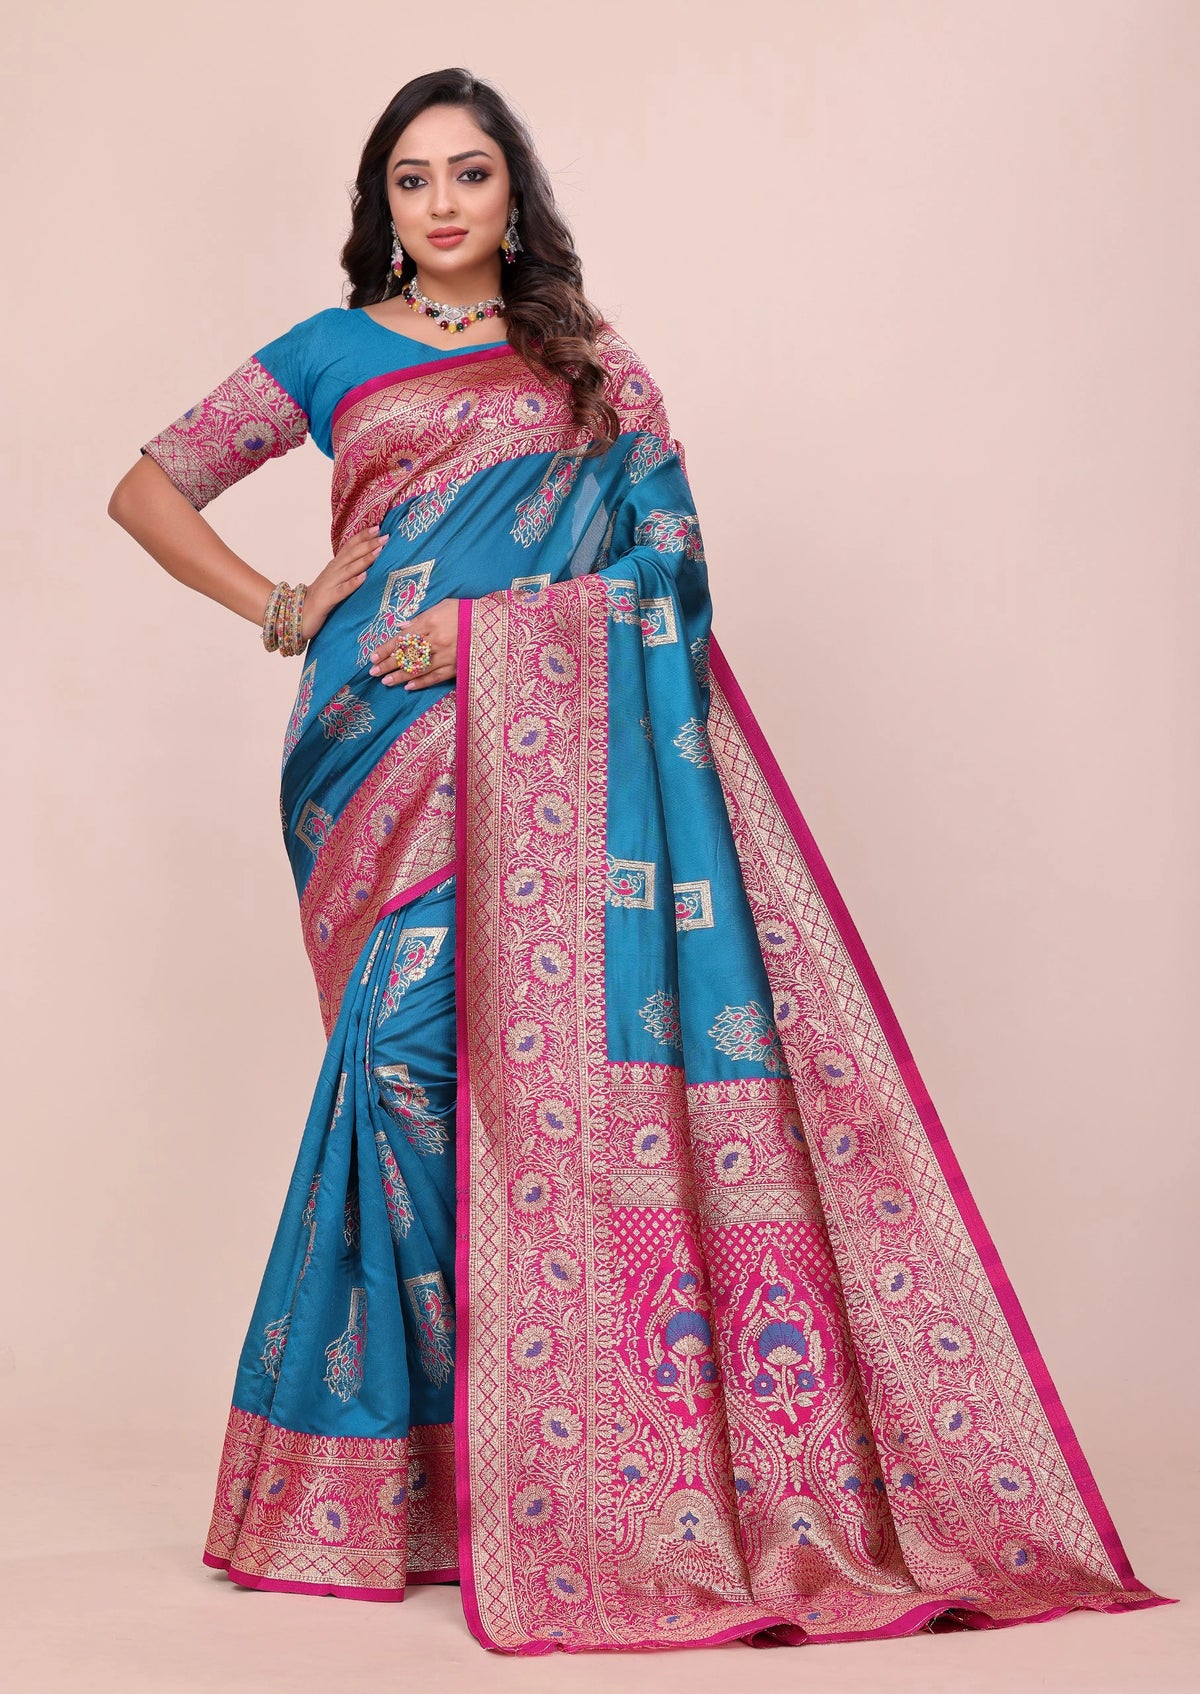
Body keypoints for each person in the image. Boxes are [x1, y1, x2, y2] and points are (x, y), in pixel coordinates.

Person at [108, 66, 1166, 1656]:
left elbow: (670, 573)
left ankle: (530, 1463)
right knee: (397, 1073)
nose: (443, 202)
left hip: (550, 766)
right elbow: (146, 485)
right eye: (412, 179)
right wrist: (280, 601)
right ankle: (411, 1475)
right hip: (369, 765)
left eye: (471, 173)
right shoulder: (324, 352)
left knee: (520, 1091)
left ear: (514, 194)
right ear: (379, 208)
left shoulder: (590, 367)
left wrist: (485, 632)